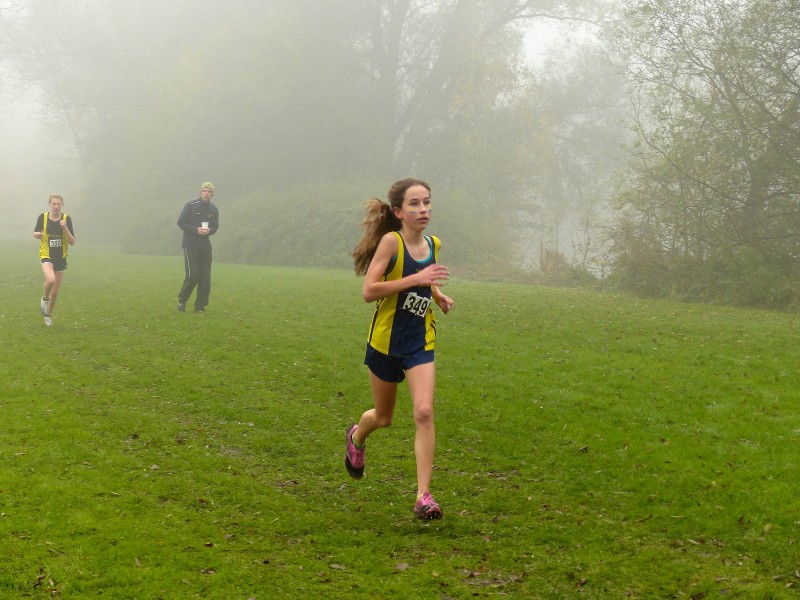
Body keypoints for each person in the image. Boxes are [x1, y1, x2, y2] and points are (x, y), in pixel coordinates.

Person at [346, 178, 454, 520]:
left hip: (420, 343)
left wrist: (438, 295)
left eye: (427, 202)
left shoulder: (434, 244)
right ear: (398, 211)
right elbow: (369, 291)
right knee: (384, 417)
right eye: (414, 204)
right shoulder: (391, 243)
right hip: (385, 344)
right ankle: (357, 435)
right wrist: (416, 281)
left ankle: (424, 495)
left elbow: (427, 278)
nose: (423, 210)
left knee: (424, 411)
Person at [33, 194, 76, 327]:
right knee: (50, 280)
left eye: (59, 204)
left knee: (56, 291)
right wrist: (37, 235)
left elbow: (72, 242)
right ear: (50, 204)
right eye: (54, 204)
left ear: (62, 204)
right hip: (46, 254)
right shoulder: (43, 217)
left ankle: (48, 316)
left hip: (60, 257)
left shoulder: (66, 219)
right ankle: (44, 299)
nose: (56, 206)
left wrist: (65, 228)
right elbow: (35, 233)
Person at [177, 182, 219, 313]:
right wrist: (196, 230)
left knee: (205, 278)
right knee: (193, 276)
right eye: (204, 191)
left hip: (205, 247)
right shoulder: (191, 206)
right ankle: (181, 300)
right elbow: (181, 222)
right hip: (190, 246)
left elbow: (215, 227)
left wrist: (209, 231)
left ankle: (200, 307)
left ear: (212, 194)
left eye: (209, 191)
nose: (206, 193)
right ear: (201, 192)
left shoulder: (214, 209)